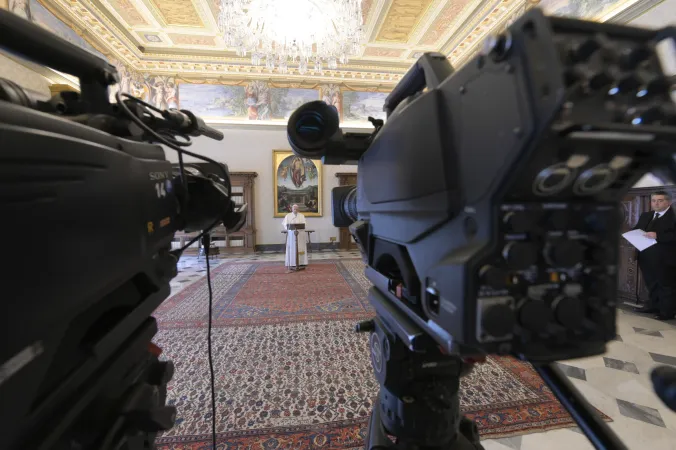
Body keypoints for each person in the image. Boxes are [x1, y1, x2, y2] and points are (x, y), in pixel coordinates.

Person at [632, 190, 676, 320]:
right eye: (653, 200)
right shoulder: (646, 215)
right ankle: (653, 306)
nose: (656, 203)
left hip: (665, 257)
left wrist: (658, 236)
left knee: (666, 285)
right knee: (651, 283)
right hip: (646, 256)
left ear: (668, 202)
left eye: (660, 200)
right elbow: (637, 228)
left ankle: (667, 312)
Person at [282, 204, 308, 270]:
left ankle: (301, 262)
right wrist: (288, 228)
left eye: (296, 209)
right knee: (292, 247)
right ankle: (292, 262)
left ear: (298, 209)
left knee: (301, 247)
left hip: (300, 234)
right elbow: (285, 224)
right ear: (292, 209)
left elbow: (304, 223)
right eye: (294, 209)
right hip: (292, 235)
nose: (295, 210)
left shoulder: (301, 215)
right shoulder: (288, 216)